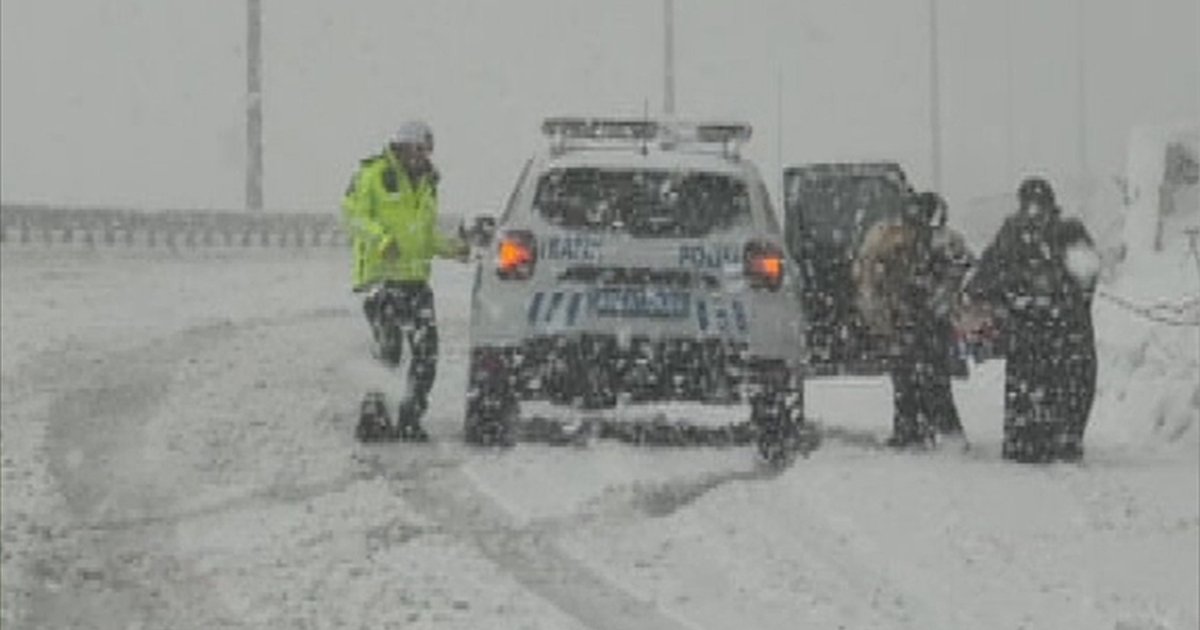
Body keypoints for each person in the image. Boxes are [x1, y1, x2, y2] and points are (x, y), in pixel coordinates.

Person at [342, 120, 468, 441]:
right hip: (380, 279)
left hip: (414, 281)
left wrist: (454, 249)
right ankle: (373, 418)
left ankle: (411, 417)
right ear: (403, 148)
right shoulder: (373, 175)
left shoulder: (427, 184)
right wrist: (382, 241)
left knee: (427, 352)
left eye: (427, 151)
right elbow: (353, 216)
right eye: (419, 150)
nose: (424, 157)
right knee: (390, 349)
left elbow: (422, 237)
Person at [963, 176, 1099, 462]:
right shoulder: (1061, 232)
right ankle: (1059, 438)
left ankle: (1029, 440)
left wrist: (1002, 299)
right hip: (1059, 330)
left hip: (1033, 329)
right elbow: (1088, 273)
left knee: (1032, 386)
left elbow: (985, 276)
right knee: (1068, 387)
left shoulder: (1015, 234)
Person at [855, 191, 972, 448]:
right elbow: (963, 269)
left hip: (908, 319)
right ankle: (938, 430)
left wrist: (880, 311)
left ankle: (913, 431)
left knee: (910, 378)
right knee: (928, 378)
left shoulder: (890, 238)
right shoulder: (943, 240)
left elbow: (869, 273)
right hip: (921, 319)